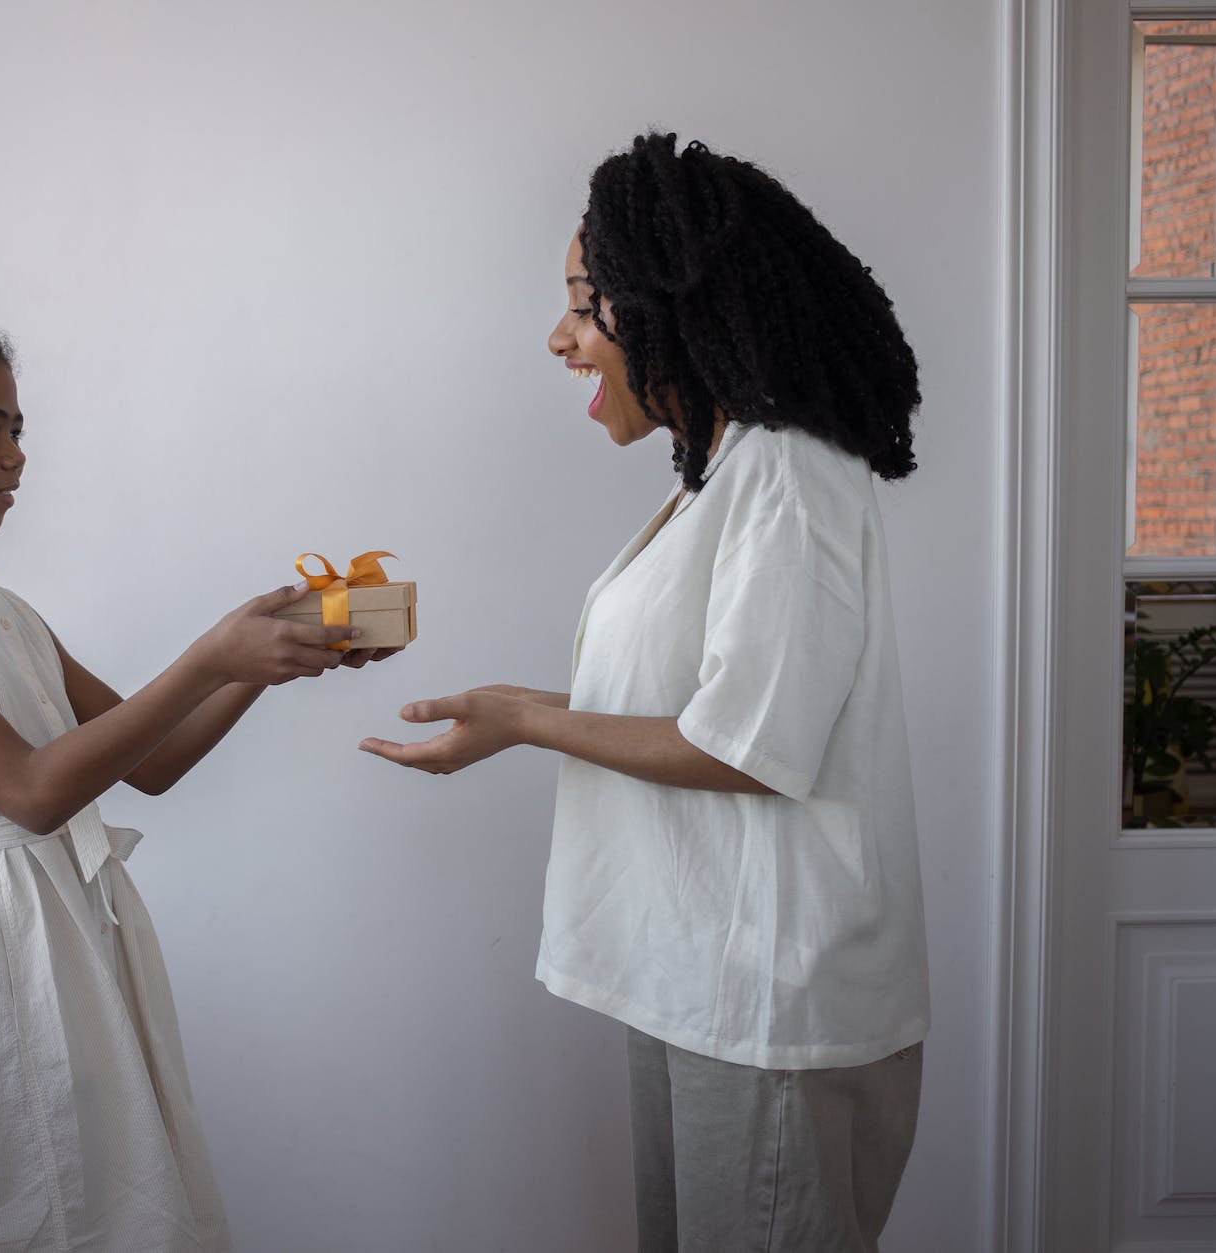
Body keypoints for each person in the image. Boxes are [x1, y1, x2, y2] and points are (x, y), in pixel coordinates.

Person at [361, 132, 929, 1252]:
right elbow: (702, 702)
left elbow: (746, 744)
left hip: (765, 1003)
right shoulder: (718, 478)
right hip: (697, 979)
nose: (559, 337)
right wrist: (519, 707)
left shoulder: (787, 472)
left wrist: (526, 721)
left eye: (584, 303)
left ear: (672, 304)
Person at [0, 280, 394, 1252]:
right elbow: (28, 791)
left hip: (69, 931)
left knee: (103, 1203)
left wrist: (271, 657)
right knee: (16, 1205)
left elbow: (153, 761)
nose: (16, 454)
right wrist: (208, 654)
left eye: (17, 427)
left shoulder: (2, 608)